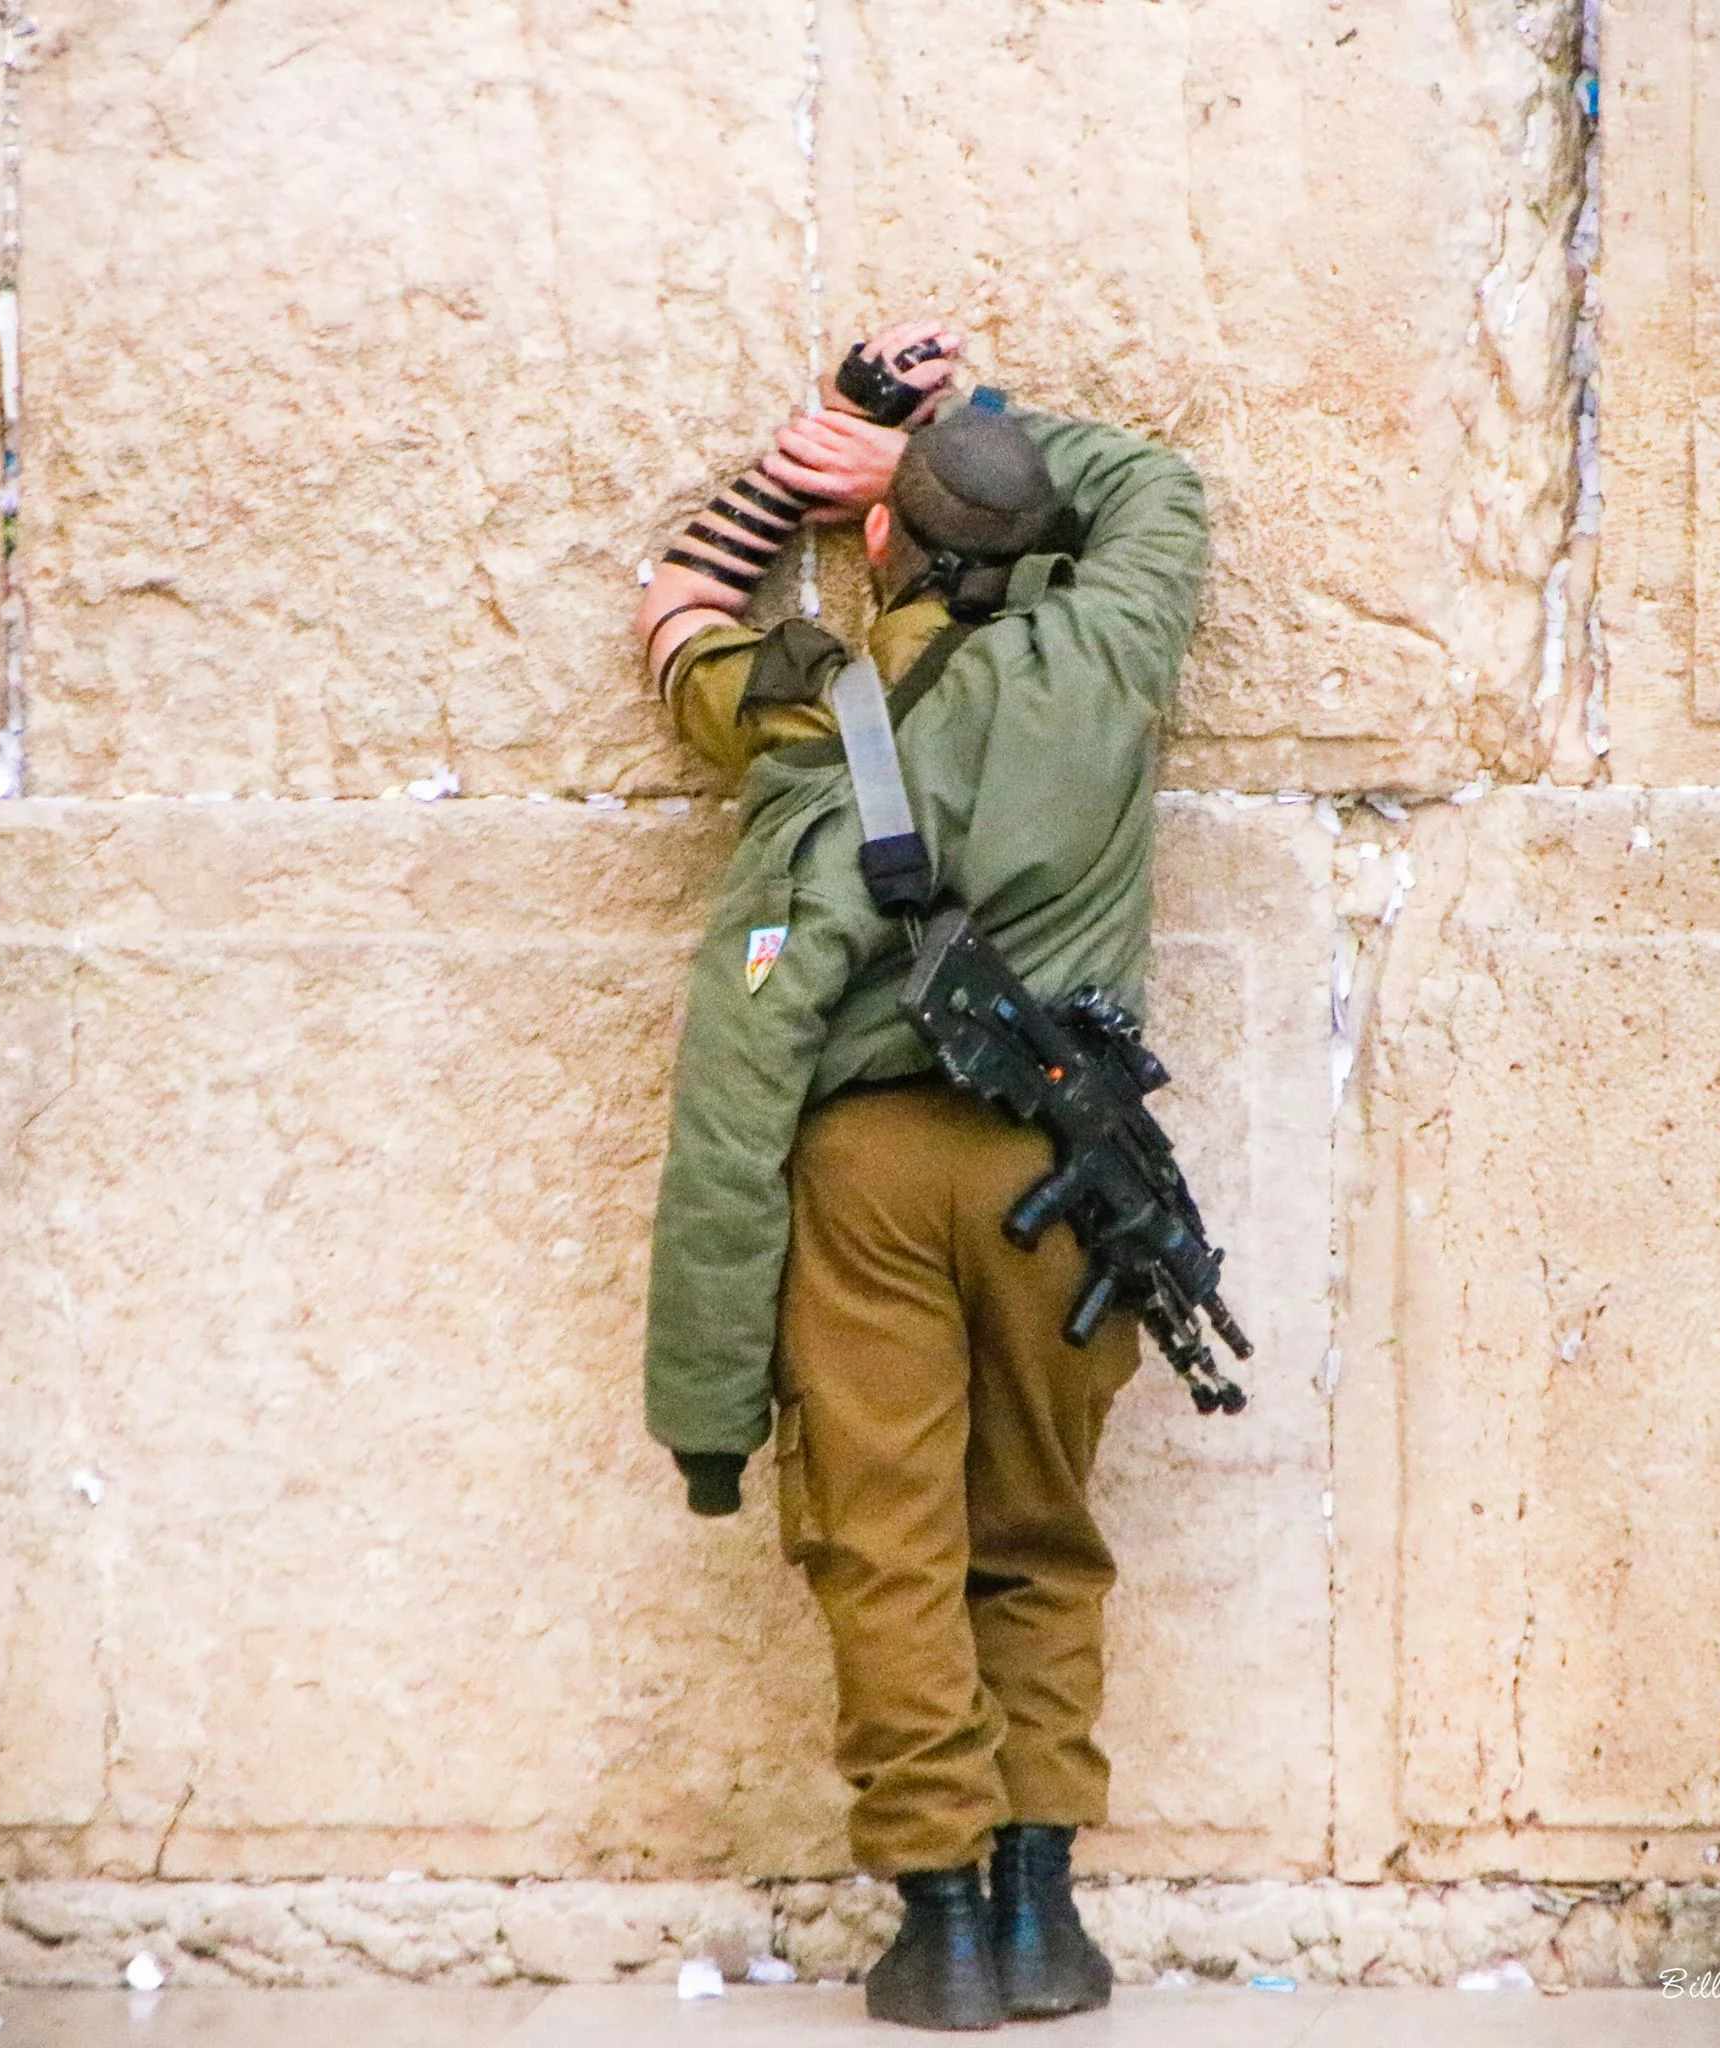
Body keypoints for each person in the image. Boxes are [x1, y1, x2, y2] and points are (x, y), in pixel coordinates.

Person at [635, 319, 1208, 2031]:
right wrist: (931, 443)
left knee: (890, 1543)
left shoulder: (815, 721)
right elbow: (1155, 485)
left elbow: (675, 617)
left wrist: (708, 1401)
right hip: (1064, 1173)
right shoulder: (1116, 646)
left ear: (875, 544)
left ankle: (945, 1931)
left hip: (873, 1181)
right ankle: (1050, 1923)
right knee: (1039, 1529)